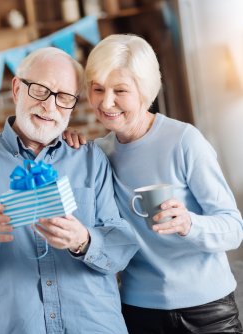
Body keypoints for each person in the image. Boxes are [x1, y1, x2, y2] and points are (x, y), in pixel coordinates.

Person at [0, 47, 138, 334]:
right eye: (40, 90)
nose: (50, 107)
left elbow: (123, 247)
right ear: (17, 89)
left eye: (64, 97)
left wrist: (84, 240)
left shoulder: (90, 158)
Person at [65, 34, 243, 333]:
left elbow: (233, 229)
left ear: (145, 91)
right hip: (139, 311)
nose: (106, 102)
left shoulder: (185, 141)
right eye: (97, 89)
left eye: (120, 90)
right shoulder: (99, 154)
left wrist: (189, 224)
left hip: (208, 311)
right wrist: (66, 148)